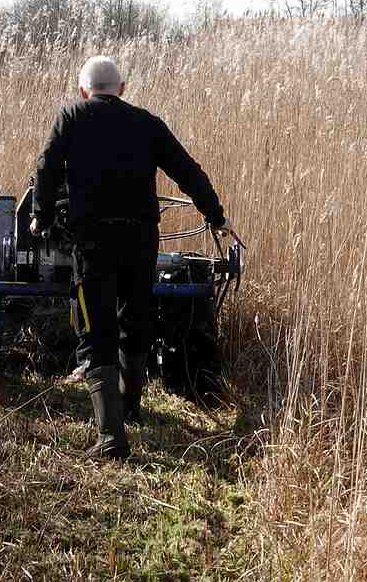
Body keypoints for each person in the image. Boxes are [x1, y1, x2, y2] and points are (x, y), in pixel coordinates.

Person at [31, 55, 230, 460]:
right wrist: (216, 215)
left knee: (96, 324)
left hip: (92, 239)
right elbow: (187, 170)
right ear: (121, 89)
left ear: (83, 90)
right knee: (133, 317)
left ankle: (111, 437)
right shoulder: (147, 122)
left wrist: (40, 216)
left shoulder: (70, 116)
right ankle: (131, 406)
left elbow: (47, 168)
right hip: (141, 239)